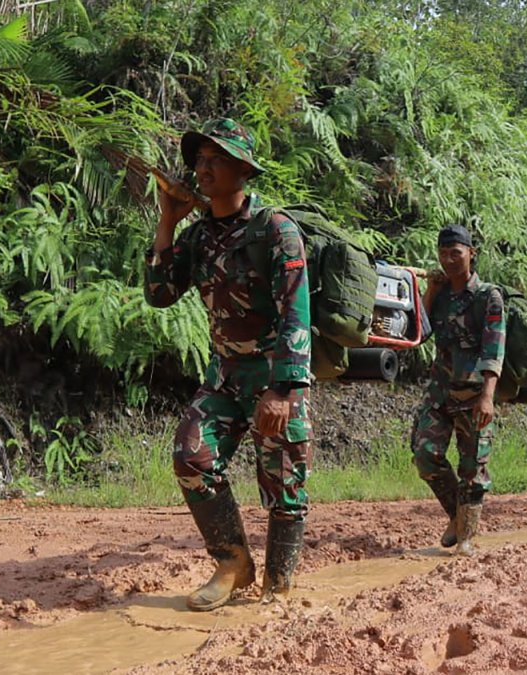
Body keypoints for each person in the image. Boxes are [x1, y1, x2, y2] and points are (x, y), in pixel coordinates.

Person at [144, 118, 312, 610]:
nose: (204, 167)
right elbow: (159, 293)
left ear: (244, 169)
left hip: (273, 377)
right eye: (199, 159)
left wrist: (284, 390)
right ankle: (233, 562)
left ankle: (278, 587)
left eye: (216, 159)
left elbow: (296, 311)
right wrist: (168, 223)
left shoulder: (275, 231)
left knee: (283, 484)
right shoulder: (198, 237)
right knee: (191, 457)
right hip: (225, 376)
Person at [412, 224, 506, 556]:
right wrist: (430, 292)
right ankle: (456, 514)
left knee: (472, 468)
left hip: (474, 393)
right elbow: (418, 333)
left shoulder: (488, 296)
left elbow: (494, 348)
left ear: (471, 253)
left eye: (456, 253)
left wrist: (488, 396)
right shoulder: (440, 295)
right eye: (443, 253)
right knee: (425, 455)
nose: (449, 260)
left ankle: (465, 537)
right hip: (440, 392)